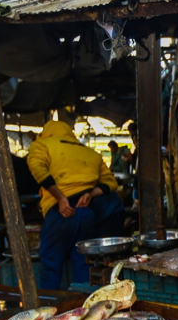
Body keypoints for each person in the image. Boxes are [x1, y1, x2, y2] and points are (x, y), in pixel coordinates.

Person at [27, 119, 123, 290]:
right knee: (83, 263)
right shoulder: (90, 152)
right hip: (86, 212)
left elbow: (38, 169)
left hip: (61, 212)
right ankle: (83, 306)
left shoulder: (42, 145)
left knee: (51, 265)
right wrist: (90, 194)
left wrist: (60, 198)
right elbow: (111, 182)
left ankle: (49, 309)